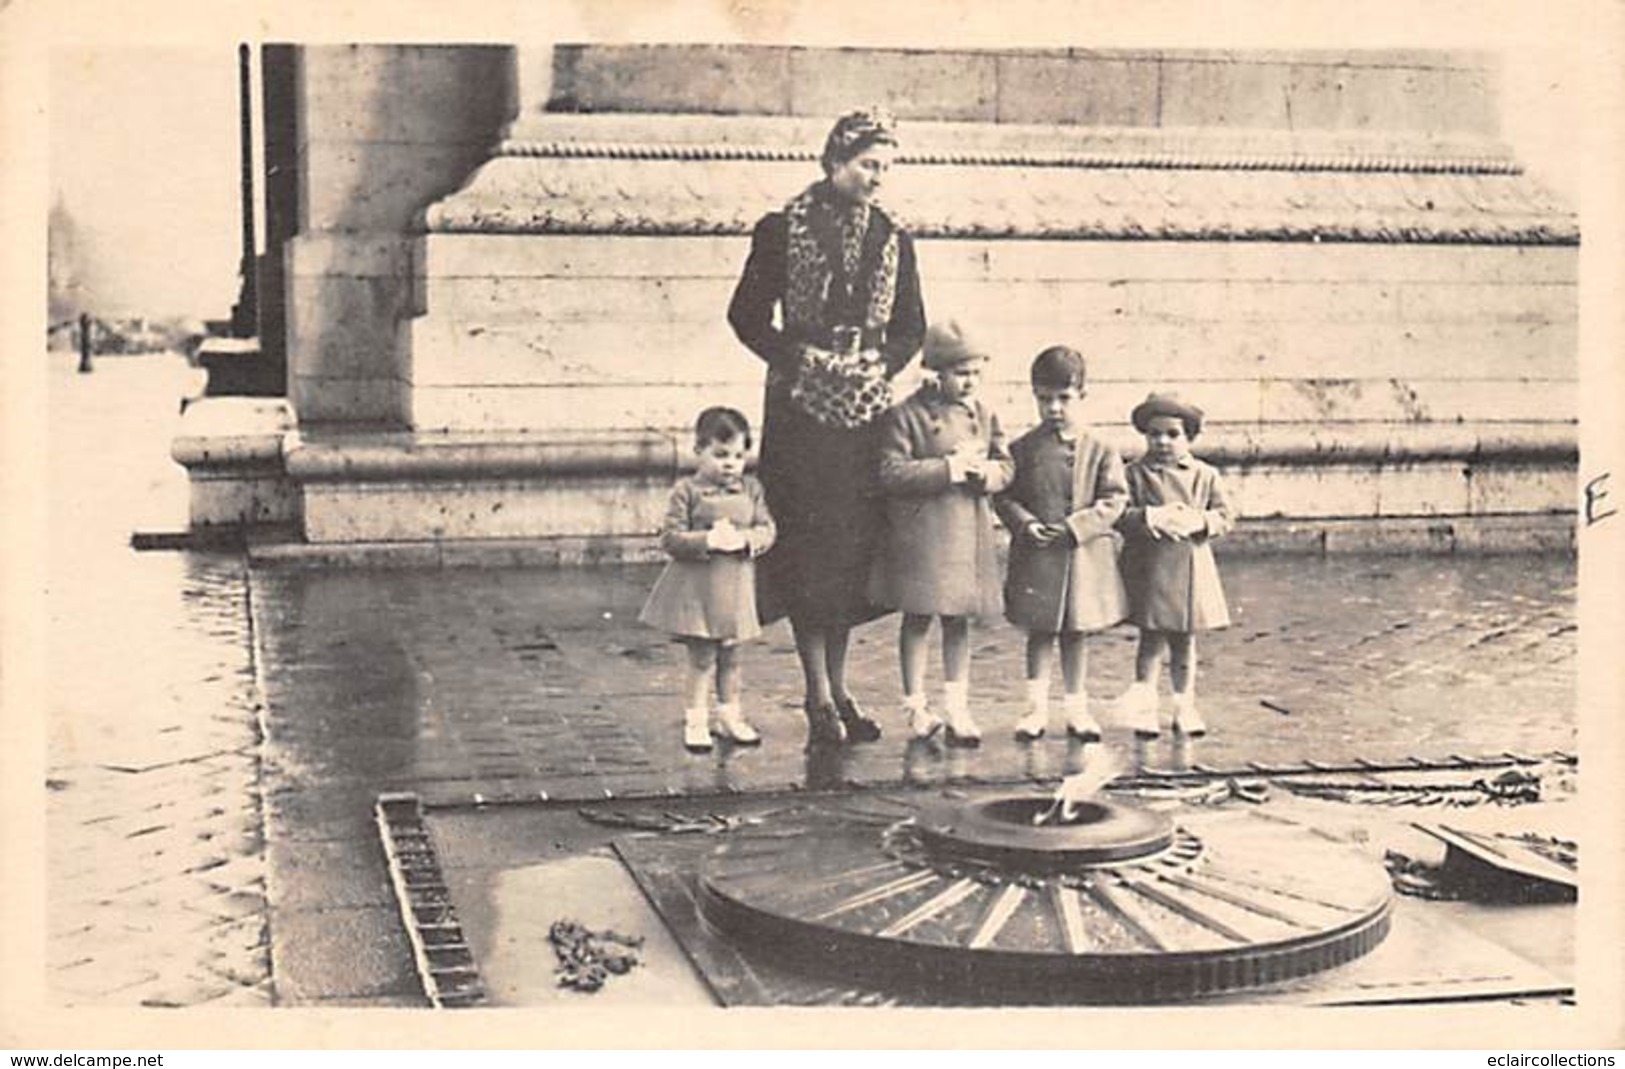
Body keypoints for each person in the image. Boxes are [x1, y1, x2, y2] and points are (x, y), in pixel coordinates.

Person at [727, 106, 927, 747]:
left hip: (864, 416)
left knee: (847, 553)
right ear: (834, 162)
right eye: (869, 165)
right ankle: (816, 695)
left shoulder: (893, 238)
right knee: (808, 550)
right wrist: (799, 358)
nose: (878, 179)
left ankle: (839, 689)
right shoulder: (781, 230)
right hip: (800, 414)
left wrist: (880, 363)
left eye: (886, 168)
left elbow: (910, 328)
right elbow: (747, 317)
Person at [870, 320, 1013, 746]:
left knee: (958, 621)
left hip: (966, 532)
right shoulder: (906, 416)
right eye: (960, 373)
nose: (969, 382)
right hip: (923, 536)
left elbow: (1006, 464)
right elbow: (890, 472)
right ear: (935, 372)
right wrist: (947, 469)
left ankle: (957, 706)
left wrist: (987, 474)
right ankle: (915, 706)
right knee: (917, 618)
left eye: (975, 373)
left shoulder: (984, 415)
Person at [994, 346, 1129, 743]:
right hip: (1038, 557)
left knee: (1076, 633)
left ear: (1083, 395)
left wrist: (1078, 526)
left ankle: (1077, 708)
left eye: (1063, 398)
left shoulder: (1101, 449)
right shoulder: (1022, 449)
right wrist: (1025, 523)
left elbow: (1115, 498)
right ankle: (1034, 708)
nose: (1053, 408)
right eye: (1044, 398)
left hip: (1083, 558)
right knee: (1040, 631)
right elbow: (1005, 496)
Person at [639, 407, 777, 753]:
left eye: (738, 455)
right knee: (702, 659)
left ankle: (729, 716)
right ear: (699, 451)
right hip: (701, 588)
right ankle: (696, 720)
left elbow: (767, 528)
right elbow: (670, 537)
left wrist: (748, 540)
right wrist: (706, 541)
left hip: (737, 585)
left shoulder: (752, 489)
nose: (730, 464)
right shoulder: (688, 491)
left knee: (732, 657)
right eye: (720, 455)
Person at [1113, 392, 1235, 738]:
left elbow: (1226, 515)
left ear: (1190, 438)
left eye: (1173, 434)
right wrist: (1149, 517)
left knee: (1184, 643)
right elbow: (1119, 513)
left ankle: (1184, 706)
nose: (1162, 441)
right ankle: (1145, 708)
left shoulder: (1204, 475)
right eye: (1154, 434)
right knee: (1150, 641)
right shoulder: (1134, 474)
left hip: (1190, 569)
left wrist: (1201, 522)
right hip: (1149, 568)